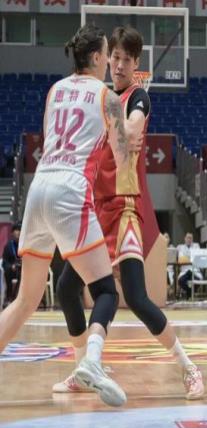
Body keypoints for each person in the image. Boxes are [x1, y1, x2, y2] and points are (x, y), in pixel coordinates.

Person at [51, 26, 204, 400]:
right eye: (115, 58)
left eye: (126, 60)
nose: (119, 65)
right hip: (95, 209)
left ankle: (189, 367)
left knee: (135, 296)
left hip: (124, 208)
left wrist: (118, 122)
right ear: (107, 60)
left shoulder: (137, 98)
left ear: (137, 64)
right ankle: (84, 369)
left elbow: (133, 131)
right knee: (67, 288)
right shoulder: (100, 97)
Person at [0, 24, 129, 407]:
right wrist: (129, 135)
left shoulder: (55, 90)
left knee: (25, 300)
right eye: (107, 54)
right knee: (105, 291)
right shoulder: (108, 97)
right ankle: (92, 362)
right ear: (96, 57)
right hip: (71, 190)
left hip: (39, 187)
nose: (110, 63)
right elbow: (122, 159)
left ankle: (84, 366)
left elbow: (55, 139)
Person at [177, 232, 202, 298]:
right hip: (184, 271)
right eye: (188, 238)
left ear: (192, 239)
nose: (189, 239)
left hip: (195, 271)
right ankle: (190, 293)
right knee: (181, 281)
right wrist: (191, 258)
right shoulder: (180, 247)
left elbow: (197, 258)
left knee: (197, 281)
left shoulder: (196, 246)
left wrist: (186, 258)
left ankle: (188, 294)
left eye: (191, 238)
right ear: (185, 239)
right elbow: (181, 259)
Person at [2, 223, 21, 306]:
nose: (19, 232)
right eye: (16, 230)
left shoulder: (25, 246)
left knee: (23, 274)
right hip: (12, 270)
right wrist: (11, 266)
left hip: (23, 269)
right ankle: (9, 296)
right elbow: (4, 262)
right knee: (7, 272)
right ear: (12, 233)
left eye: (20, 230)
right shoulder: (8, 246)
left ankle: (18, 298)